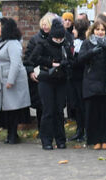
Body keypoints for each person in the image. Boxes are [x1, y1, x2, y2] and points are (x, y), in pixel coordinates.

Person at [26, 16, 73, 149]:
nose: (58, 41)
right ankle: (46, 139)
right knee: (48, 110)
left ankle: (60, 139)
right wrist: (50, 63)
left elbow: (71, 61)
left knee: (59, 110)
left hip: (61, 80)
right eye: (56, 39)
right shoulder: (43, 44)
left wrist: (65, 63)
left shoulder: (65, 45)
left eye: (61, 39)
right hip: (46, 79)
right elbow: (32, 59)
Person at [77, 19, 106, 149]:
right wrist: (91, 52)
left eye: (102, 30)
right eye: (97, 29)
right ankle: (95, 140)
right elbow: (80, 60)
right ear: (93, 31)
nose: (100, 32)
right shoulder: (87, 43)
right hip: (91, 82)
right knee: (92, 113)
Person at [0, 18, 30, 144]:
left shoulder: (13, 43)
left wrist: (11, 80)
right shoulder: (3, 42)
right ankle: (10, 134)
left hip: (10, 79)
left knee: (13, 108)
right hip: (2, 78)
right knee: (7, 108)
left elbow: (15, 63)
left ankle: (13, 134)